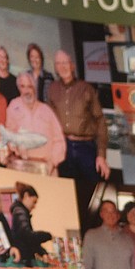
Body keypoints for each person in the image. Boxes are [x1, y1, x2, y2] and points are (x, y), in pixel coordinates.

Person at [48, 49, 110, 181]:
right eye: (58, 63)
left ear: (72, 66)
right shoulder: (52, 89)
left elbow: (100, 121)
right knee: (67, 186)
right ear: (55, 68)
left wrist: (101, 155)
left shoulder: (86, 88)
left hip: (86, 148)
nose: (63, 66)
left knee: (92, 184)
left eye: (65, 62)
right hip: (63, 148)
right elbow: (49, 122)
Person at [3, 71, 66, 175]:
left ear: (35, 88)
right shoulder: (13, 106)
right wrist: (16, 147)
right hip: (22, 166)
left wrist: (53, 162)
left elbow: (59, 140)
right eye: (23, 86)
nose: (26, 91)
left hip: (47, 168)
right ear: (19, 88)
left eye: (30, 86)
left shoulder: (46, 110)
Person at [9, 182, 53, 265]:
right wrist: (48, 235)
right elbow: (27, 236)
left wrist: (42, 252)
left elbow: (29, 239)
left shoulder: (20, 212)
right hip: (22, 261)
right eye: (34, 202)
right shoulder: (20, 212)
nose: (34, 206)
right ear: (26, 196)